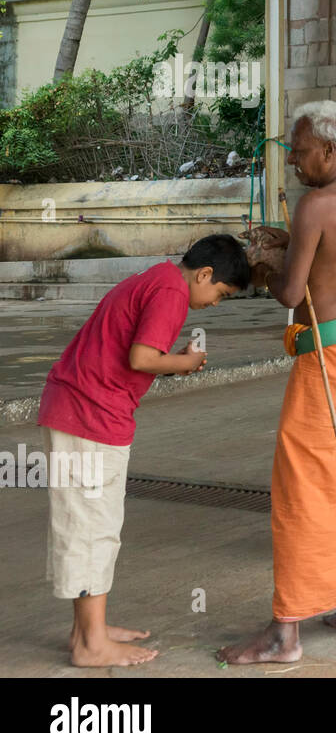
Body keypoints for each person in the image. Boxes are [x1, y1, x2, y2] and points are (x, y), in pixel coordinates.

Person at [219, 100, 336, 665]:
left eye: (298, 151)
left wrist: (267, 262)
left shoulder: (318, 205)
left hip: (330, 354)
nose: (292, 161)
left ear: (329, 149)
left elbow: (292, 295)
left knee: (303, 483)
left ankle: (285, 632)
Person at [38, 235, 249, 667]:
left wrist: (173, 358)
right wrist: (186, 363)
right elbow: (142, 358)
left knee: (94, 524)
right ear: (205, 274)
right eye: (220, 294)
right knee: (91, 527)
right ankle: (89, 644)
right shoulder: (171, 291)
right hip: (89, 415)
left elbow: (139, 352)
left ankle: (88, 629)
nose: (214, 304)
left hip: (85, 412)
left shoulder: (156, 279)